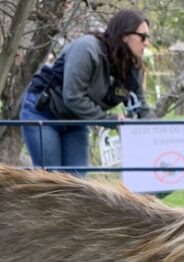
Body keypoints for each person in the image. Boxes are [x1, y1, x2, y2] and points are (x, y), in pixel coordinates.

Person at [20, 8, 152, 174]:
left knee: (77, 185)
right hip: (44, 113)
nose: (147, 43)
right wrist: (110, 120)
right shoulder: (87, 48)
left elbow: (142, 109)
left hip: (76, 120)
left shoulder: (131, 67)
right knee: (51, 181)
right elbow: (73, 97)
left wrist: (161, 138)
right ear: (125, 36)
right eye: (143, 37)